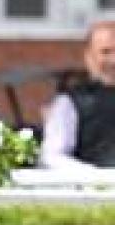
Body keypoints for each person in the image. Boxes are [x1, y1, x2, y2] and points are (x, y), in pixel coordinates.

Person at [40, 20, 115, 169]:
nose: (113, 60)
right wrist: (96, 177)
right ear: (89, 58)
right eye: (105, 52)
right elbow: (52, 156)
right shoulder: (70, 102)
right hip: (93, 189)